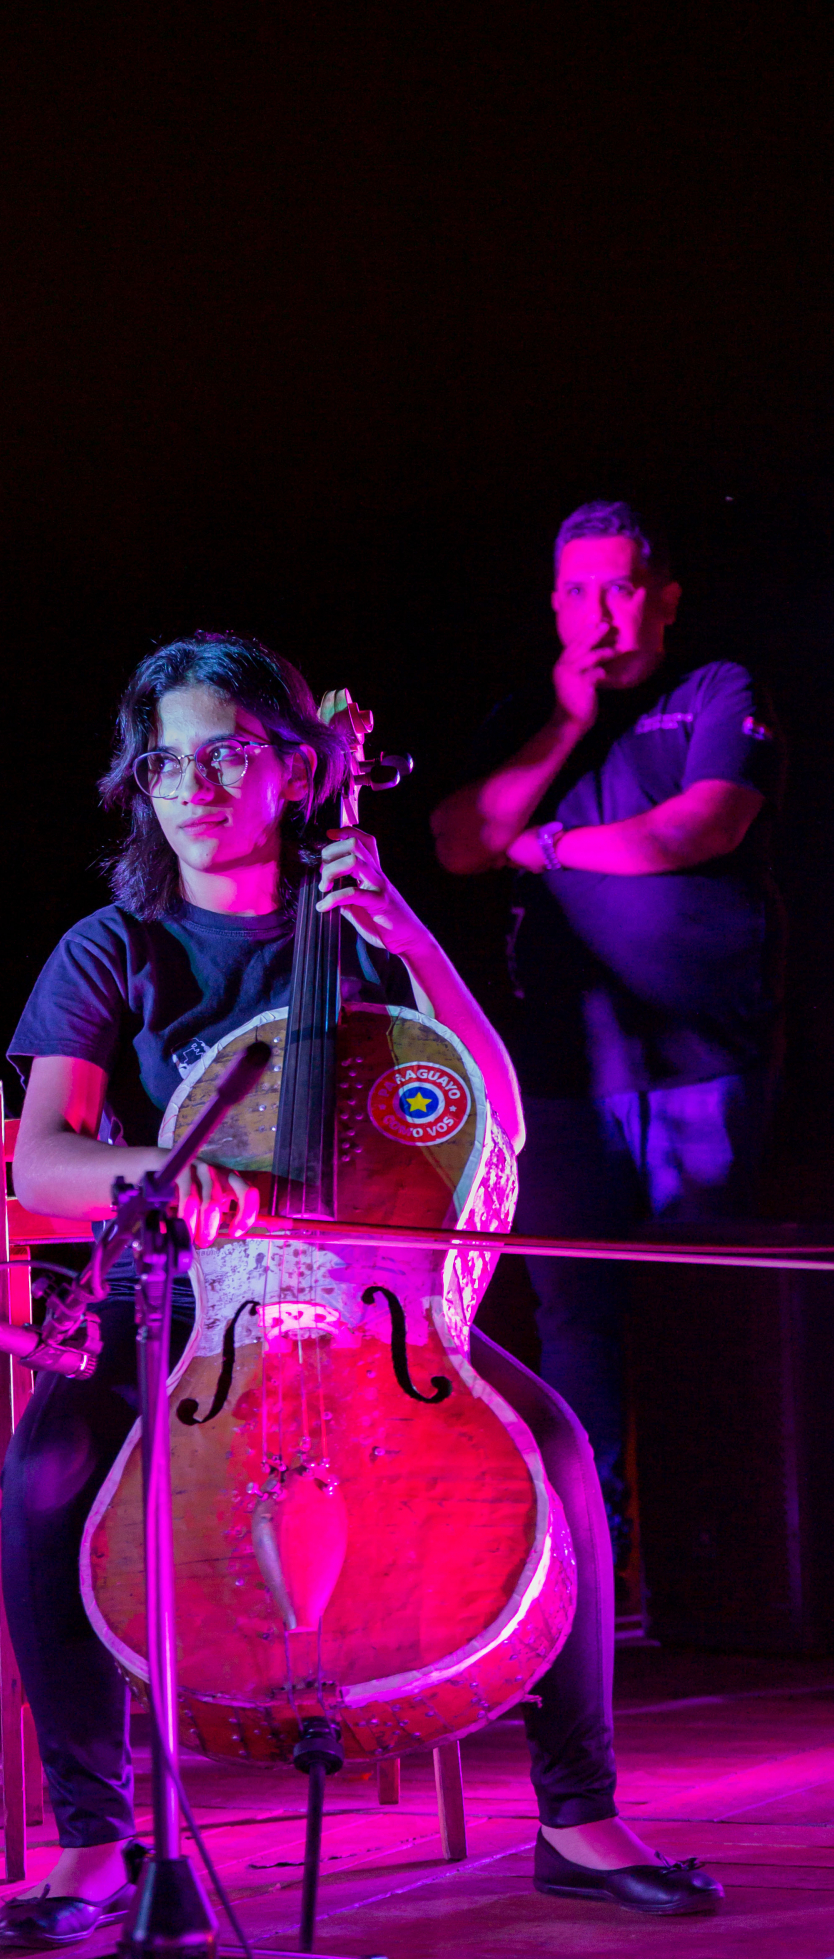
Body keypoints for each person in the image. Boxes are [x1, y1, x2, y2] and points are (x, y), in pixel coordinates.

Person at [0, 630, 720, 1948]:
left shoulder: (363, 935)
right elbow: (42, 1160)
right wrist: (166, 1167)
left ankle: (576, 1818)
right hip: (183, 1297)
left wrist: (412, 944)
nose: (194, 786)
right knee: (48, 1469)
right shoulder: (114, 948)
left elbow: (488, 1121)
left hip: (374, 1295)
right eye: (166, 764)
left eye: (226, 754)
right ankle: (94, 1842)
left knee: (551, 1452)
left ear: (297, 766)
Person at [431, 501, 783, 1565]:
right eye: (577, 590)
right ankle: (593, 1551)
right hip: (563, 1076)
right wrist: (567, 723)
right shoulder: (526, 717)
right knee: (573, 1317)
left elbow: (699, 825)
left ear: (662, 598)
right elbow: (457, 842)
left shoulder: (716, 690)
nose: (599, 610)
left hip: (700, 1064)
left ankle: (721, 1559)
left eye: (620, 586)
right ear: (553, 602)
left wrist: (543, 846)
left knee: (703, 1307)